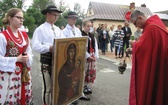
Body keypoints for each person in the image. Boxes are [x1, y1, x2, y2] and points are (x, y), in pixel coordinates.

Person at [129, 10, 168, 105]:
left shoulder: (151, 28)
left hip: (156, 64)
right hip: (161, 63)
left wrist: (133, 45)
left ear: (140, 18)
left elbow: (143, 49)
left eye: (135, 23)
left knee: (151, 87)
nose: (135, 26)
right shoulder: (155, 25)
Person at [31, 5, 64, 105]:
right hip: (47, 61)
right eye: (54, 15)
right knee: (47, 88)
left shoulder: (58, 30)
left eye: (57, 15)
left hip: (58, 61)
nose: (56, 17)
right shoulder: (40, 29)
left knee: (57, 86)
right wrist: (49, 48)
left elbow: (62, 43)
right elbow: (35, 46)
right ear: (48, 14)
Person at [0, 8, 33, 104]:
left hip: (24, 74)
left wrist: (27, 57)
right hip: (9, 76)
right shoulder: (2, 36)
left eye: (22, 18)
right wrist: (16, 59)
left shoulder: (24, 35)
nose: (21, 20)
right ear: (10, 18)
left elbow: (29, 52)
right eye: (18, 17)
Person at [62, 11, 90, 102]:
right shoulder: (64, 31)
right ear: (68, 19)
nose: (74, 21)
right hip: (70, 58)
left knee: (80, 76)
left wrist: (86, 55)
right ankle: (70, 96)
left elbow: (81, 44)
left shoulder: (77, 30)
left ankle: (79, 93)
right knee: (70, 78)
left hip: (78, 57)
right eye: (72, 19)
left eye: (75, 19)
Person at [81, 20, 99, 95]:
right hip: (85, 55)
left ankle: (86, 85)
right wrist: (88, 56)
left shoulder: (92, 35)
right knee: (85, 71)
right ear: (83, 26)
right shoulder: (81, 35)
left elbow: (95, 46)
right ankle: (82, 86)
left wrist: (95, 55)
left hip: (92, 54)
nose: (89, 28)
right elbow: (82, 47)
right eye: (87, 26)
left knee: (90, 71)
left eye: (90, 26)